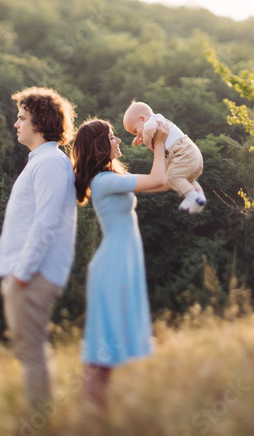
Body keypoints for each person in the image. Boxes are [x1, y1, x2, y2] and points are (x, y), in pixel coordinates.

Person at [71, 116, 170, 409]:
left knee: (108, 348)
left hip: (122, 262)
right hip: (113, 265)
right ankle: (87, 411)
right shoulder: (104, 182)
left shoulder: (109, 179)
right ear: (101, 145)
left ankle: (95, 415)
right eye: (112, 136)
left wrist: (157, 148)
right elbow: (158, 179)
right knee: (101, 346)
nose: (118, 141)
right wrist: (160, 143)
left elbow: (161, 185)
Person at [0, 87, 77, 408]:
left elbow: (46, 223)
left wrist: (23, 274)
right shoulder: (42, 161)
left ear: (39, 122)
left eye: (22, 117)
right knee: (28, 352)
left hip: (33, 275)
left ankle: (39, 423)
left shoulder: (51, 163)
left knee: (31, 354)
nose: (16, 123)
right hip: (27, 274)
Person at [122, 100, 206, 213]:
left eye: (135, 131)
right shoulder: (158, 120)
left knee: (172, 178)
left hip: (183, 153)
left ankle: (191, 196)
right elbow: (157, 145)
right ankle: (199, 197)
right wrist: (142, 139)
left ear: (142, 118)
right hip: (191, 155)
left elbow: (148, 130)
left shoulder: (150, 123)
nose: (138, 135)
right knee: (185, 179)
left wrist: (146, 140)